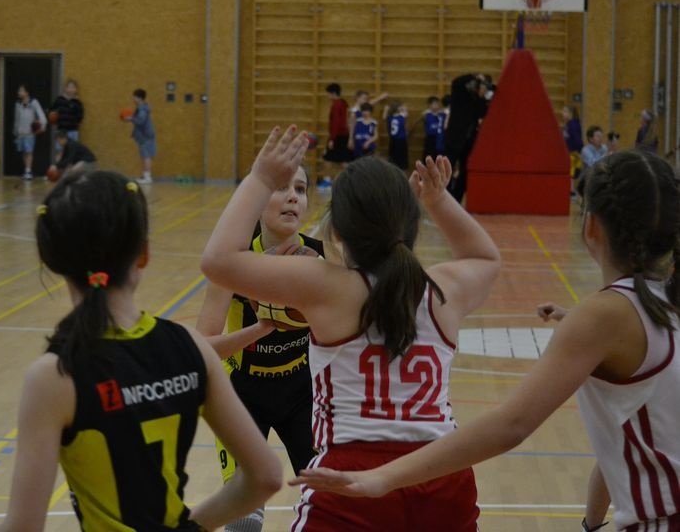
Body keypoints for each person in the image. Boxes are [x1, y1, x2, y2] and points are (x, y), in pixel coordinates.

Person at [292, 149, 680, 532]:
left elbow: (512, 425)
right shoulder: (656, 304)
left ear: (591, 226)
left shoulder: (604, 316)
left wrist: (385, 477)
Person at [201, 126, 501, 531]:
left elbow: (217, 260)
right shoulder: (444, 289)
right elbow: (485, 258)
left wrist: (260, 177)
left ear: (337, 231)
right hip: (440, 471)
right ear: (411, 222)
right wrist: (439, 200)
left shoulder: (326, 284)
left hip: (350, 473)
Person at [0, 170, 282, 532]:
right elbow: (266, 477)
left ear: (53, 259)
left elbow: (23, 527)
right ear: (144, 254)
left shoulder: (55, 376)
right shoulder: (190, 346)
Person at [196, 164, 322, 532]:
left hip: (303, 393)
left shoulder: (321, 260)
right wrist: (262, 327)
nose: (292, 196)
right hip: (242, 395)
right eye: (282, 187)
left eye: (300, 189)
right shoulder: (233, 262)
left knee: (328, 505)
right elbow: (202, 349)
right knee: (244, 522)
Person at [445, 74, 491, 203]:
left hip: (469, 142)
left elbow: (483, 113)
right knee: (448, 168)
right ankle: (445, 196)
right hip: (454, 139)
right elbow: (457, 81)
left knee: (465, 172)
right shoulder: (460, 96)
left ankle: (456, 199)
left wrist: (482, 96)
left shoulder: (479, 100)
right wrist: (474, 76)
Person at [318, 83, 350, 190]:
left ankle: (327, 181)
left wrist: (332, 139)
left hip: (337, 136)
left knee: (326, 158)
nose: (327, 96)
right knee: (343, 160)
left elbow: (336, 122)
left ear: (333, 93)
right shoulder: (344, 103)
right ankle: (351, 180)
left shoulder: (336, 105)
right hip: (344, 135)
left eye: (328, 93)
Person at [123, 88, 156, 184]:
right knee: (144, 156)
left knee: (146, 156)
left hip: (146, 135)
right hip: (144, 136)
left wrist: (131, 118)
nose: (133, 99)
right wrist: (131, 118)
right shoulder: (141, 108)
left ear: (139, 98)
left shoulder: (142, 109)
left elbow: (141, 121)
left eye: (134, 97)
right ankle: (145, 175)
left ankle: (147, 177)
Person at [13, 84, 46, 181]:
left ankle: (28, 171)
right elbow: (16, 119)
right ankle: (27, 170)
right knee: (24, 152)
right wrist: (15, 131)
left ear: (27, 92)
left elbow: (41, 115)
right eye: (19, 91)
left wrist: (43, 126)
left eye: (21, 90)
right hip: (20, 132)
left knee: (29, 152)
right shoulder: (18, 104)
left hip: (30, 132)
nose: (19, 92)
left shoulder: (34, 102)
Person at [50, 79, 85, 143]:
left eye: (73, 87)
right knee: (60, 148)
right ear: (65, 88)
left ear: (76, 90)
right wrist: (54, 119)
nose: (71, 89)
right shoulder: (59, 100)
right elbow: (52, 111)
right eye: (69, 87)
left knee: (72, 148)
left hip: (73, 130)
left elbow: (80, 116)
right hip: (61, 130)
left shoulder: (77, 102)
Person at [562, 105, 583, 195]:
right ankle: (570, 189)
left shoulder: (573, 124)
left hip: (574, 152)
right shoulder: (568, 124)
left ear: (570, 113)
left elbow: (577, 138)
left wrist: (578, 150)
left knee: (572, 171)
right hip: (569, 152)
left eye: (564, 111)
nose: (562, 113)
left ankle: (571, 189)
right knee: (571, 170)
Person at [383, 100, 409, 170]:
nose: (401, 108)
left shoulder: (400, 116)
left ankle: (401, 168)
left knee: (401, 156)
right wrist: (386, 109)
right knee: (393, 156)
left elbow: (406, 114)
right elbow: (384, 117)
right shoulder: (392, 117)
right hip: (395, 139)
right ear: (396, 108)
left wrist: (386, 109)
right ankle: (395, 168)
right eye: (400, 107)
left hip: (401, 139)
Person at [422, 96, 446, 161]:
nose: (437, 106)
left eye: (438, 104)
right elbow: (424, 115)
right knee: (429, 155)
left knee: (438, 156)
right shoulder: (426, 114)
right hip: (430, 138)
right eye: (435, 104)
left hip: (439, 138)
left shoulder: (442, 114)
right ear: (429, 105)